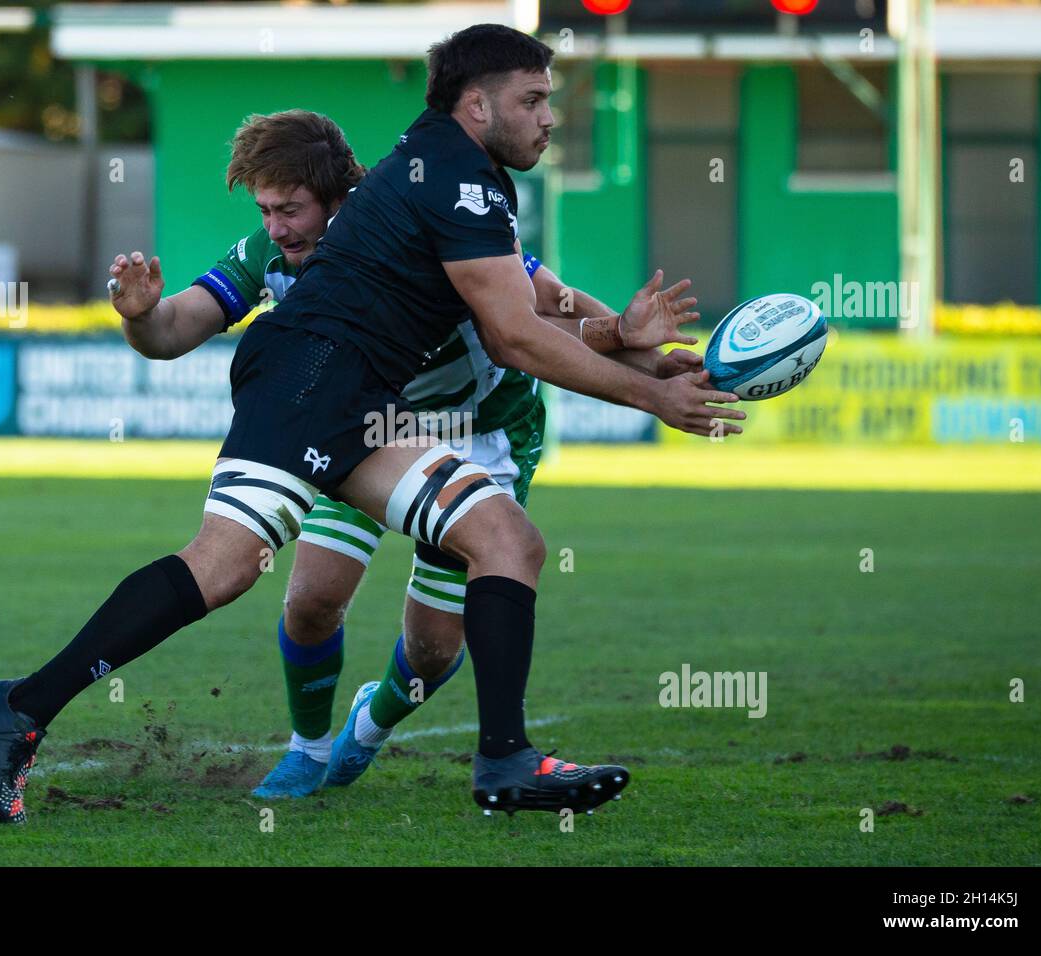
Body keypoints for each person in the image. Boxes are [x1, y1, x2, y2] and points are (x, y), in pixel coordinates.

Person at [0, 23, 743, 823]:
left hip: (367, 406)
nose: (550, 117)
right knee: (227, 567)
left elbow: (539, 316)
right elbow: (516, 334)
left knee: (509, 541)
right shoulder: (458, 183)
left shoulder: (452, 172)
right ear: (477, 106)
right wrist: (652, 396)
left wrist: (649, 360)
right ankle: (23, 706)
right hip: (309, 382)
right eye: (535, 99)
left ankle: (506, 760)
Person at [107, 109, 705, 800]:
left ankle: (371, 723)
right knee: (310, 601)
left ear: (340, 194)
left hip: (478, 434)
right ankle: (307, 748)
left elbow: (551, 309)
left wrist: (640, 349)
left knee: (432, 647)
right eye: (266, 210)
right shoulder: (267, 255)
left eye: (291, 209)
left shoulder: (429, 222)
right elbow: (177, 327)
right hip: (366, 429)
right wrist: (142, 316)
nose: (276, 228)